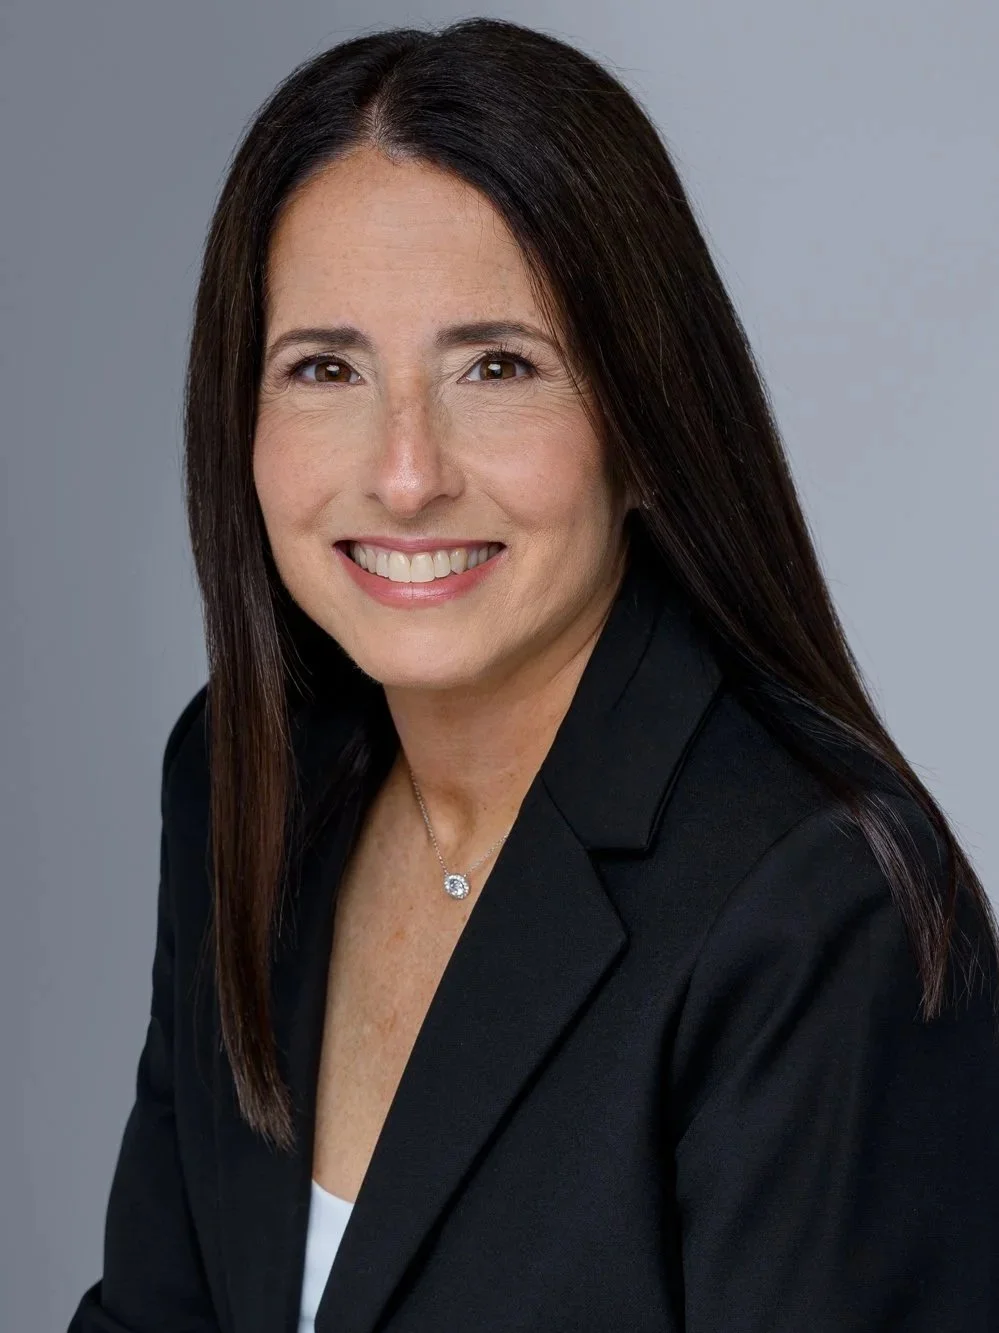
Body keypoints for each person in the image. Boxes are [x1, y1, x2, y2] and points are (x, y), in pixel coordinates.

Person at [68, 17, 999, 1333]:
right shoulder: (239, 769)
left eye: (496, 366)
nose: (404, 473)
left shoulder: (819, 915)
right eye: (324, 368)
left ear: (645, 428)